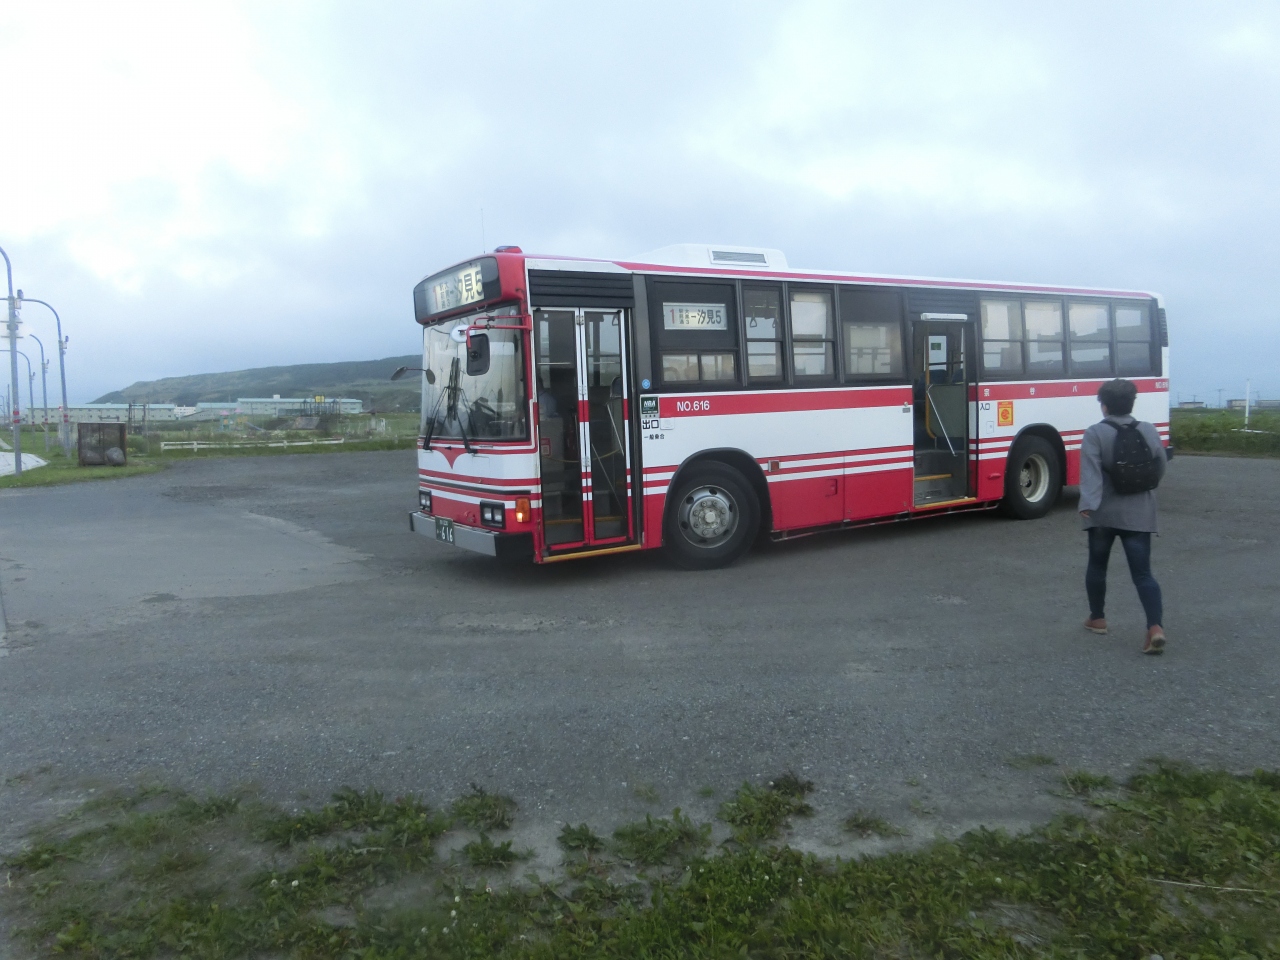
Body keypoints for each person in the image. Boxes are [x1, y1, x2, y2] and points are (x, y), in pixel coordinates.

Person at [1079, 379, 1168, 654]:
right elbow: (1160, 466)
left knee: (1097, 565)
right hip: (1139, 512)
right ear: (1132, 403)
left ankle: (1098, 618)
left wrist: (1088, 504)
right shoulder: (1148, 429)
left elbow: (1091, 473)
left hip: (1103, 513)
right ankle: (1155, 627)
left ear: (1104, 406)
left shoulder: (1095, 433)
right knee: (1143, 574)